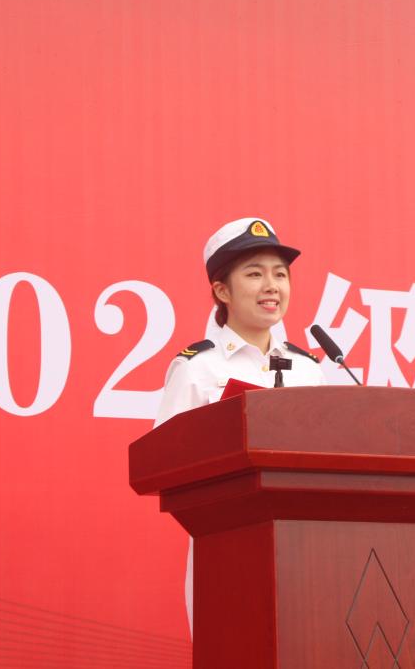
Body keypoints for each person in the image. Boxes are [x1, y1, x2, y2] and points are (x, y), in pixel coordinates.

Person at [153, 217, 326, 634]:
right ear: (222, 290)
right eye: (254, 274)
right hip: (228, 546)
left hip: (310, 548)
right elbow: (164, 467)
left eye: (280, 274)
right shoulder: (197, 368)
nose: (272, 286)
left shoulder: (309, 369)